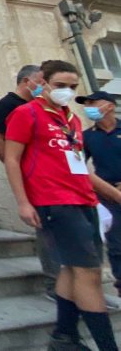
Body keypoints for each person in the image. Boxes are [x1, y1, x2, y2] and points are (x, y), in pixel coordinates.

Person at [4, 60, 118, 351]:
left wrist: (110, 196)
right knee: (89, 274)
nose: (66, 92)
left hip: (84, 200)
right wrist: (23, 202)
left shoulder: (72, 120)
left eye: (72, 87)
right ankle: (107, 346)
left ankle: (64, 336)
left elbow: (81, 166)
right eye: (60, 86)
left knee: (71, 268)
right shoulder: (25, 113)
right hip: (54, 202)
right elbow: (12, 159)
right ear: (43, 82)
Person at [0, 65, 62, 299]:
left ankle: (74, 285)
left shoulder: (48, 107)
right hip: (35, 180)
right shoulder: (8, 105)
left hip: (58, 178)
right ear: (27, 81)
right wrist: (19, 171)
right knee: (48, 231)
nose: (46, 87)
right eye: (42, 81)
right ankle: (55, 285)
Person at [79, 91, 121, 297]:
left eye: (93, 103)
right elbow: (79, 167)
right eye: (86, 104)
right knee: (116, 244)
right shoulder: (87, 136)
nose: (89, 107)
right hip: (108, 196)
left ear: (110, 106)